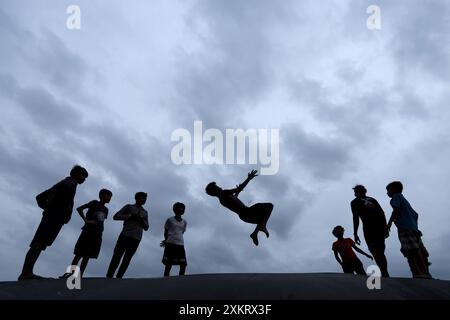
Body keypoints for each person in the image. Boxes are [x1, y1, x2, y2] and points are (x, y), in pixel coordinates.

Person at [18, 165, 89, 281]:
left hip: (54, 219)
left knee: (40, 244)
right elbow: (42, 198)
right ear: (76, 174)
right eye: (83, 176)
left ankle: (26, 272)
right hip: (53, 219)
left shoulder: (67, 183)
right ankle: (26, 273)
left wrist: (49, 210)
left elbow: (40, 197)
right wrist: (52, 211)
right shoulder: (68, 184)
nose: (84, 179)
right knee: (38, 243)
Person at [205, 170, 274, 246]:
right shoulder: (224, 193)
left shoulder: (221, 200)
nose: (220, 187)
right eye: (218, 187)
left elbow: (234, 201)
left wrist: (237, 193)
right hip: (246, 212)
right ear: (216, 190)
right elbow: (238, 189)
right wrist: (249, 179)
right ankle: (262, 226)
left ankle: (254, 233)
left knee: (262, 218)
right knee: (269, 206)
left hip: (244, 217)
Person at [60, 189, 112, 279]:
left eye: (110, 196)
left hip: (97, 234)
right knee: (79, 253)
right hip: (88, 232)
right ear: (102, 195)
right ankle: (71, 274)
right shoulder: (94, 203)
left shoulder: (106, 209)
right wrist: (86, 220)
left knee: (88, 256)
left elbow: (100, 221)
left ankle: (80, 275)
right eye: (108, 195)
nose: (109, 198)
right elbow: (79, 208)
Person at [386, 181, 432, 279]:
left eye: (388, 190)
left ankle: (419, 273)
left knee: (411, 251)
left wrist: (389, 223)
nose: (387, 193)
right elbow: (416, 214)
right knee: (419, 250)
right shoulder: (405, 200)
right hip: (413, 228)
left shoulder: (396, 197)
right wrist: (415, 227)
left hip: (405, 228)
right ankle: (426, 273)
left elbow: (396, 210)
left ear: (393, 190)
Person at [106, 192, 149, 278]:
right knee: (117, 256)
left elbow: (147, 227)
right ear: (136, 198)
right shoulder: (129, 207)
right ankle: (109, 276)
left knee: (127, 259)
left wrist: (141, 221)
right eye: (142, 198)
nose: (144, 200)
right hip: (125, 235)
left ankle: (119, 277)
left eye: (145, 199)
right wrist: (130, 216)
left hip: (136, 238)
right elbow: (116, 216)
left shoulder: (145, 212)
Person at [351, 185, 390, 277]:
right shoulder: (372, 199)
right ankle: (384, 271)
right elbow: (382, 213)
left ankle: (384, 272)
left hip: (369, 228)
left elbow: (355, 218)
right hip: (379, 227)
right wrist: (385, 227)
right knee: (380, 250)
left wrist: (355, 233)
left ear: (356, 193)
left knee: (375, 250)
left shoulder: (354, 202)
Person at [161, 202, 188, 277]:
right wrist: (166, 240)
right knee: (169, 263)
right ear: (175, 209)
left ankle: (181, 278)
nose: (182, 210)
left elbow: (182, 232)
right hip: (170, 243)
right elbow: (166, 231)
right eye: (180, 208)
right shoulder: (170, 220)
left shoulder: (184, 222)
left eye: (183, 208)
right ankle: (166, 278)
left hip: (180, 243)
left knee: (183, 263)